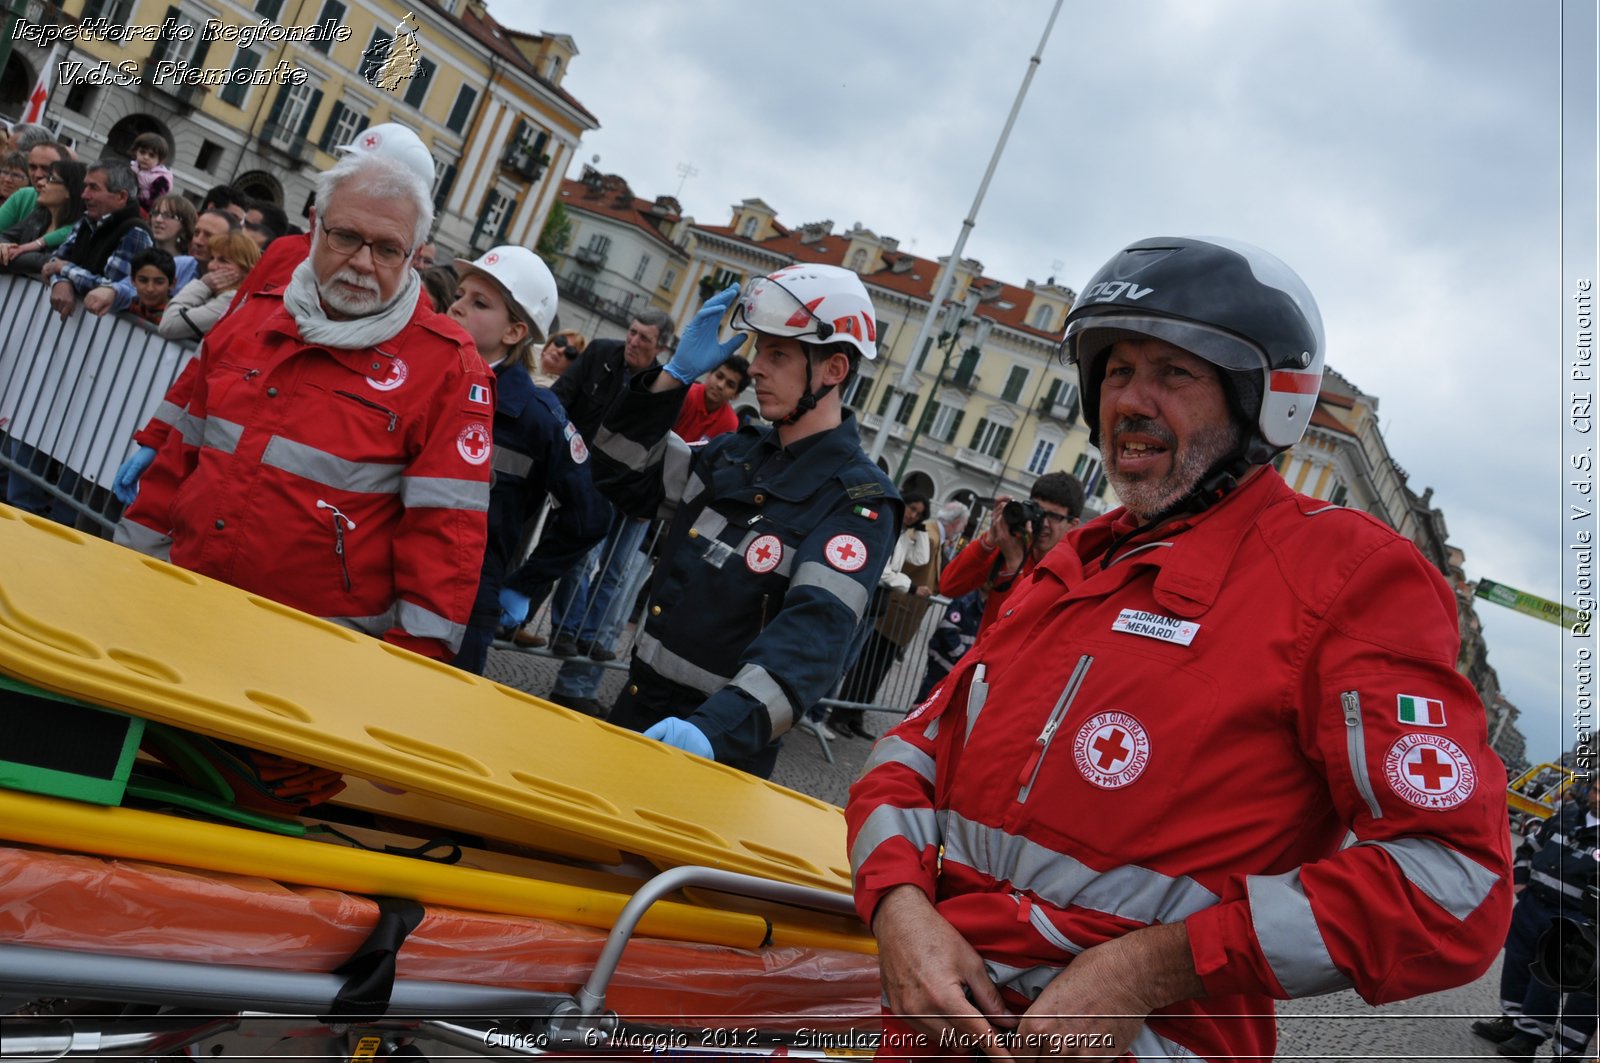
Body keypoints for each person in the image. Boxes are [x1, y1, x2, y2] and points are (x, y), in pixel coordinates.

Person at [846, 235, 1512, 1061]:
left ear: (1263, 403)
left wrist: (1153, 968)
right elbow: (910, 750)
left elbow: (1455, 882)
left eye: (1174, 373)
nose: (1132, 399)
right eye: (1118, 370)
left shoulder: (1349, 577)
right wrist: (899, 907)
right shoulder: (1077, 561)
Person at [116, 147, 494, 668]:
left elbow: (445, 536)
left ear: (415, 255)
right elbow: (178, 461)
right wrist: (128, 570)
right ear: (315, 227)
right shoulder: (254, 319)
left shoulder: (448, 367)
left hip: (312, 656)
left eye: (388, 249)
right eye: (345, 237)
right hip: (178, 609)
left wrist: (412, 668)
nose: (363, 263)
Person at [590, 265, 900, 778]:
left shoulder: (857, 502)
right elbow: (620, 472)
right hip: (637, 712)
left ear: (833, 370)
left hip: (716, 754)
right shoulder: (737, 451)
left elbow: (810, 644)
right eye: (759, 350)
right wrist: (672, 379)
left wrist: (712, 733)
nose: (755, 368)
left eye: (777, 354)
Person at [110, 123, 436, 507]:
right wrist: (158, 435)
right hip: (225, 452)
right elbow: (218, 349)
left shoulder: (414, 310)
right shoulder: (286, 252)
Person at [443, 245, 607, 675]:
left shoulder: (537, 416)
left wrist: (524, 584)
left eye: (479, 303)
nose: (457, 307)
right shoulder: (422, 376)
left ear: (515, 332)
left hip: (465, 599)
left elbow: (589, 516)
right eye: (459, 294)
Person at [516, 308, 676, 716]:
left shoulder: (662, 382)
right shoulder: (602, 353)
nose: (634, 342)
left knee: (613, 573)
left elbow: (659, 443)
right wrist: (560, 450)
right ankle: (556, 627)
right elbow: (562, 398)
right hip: (576, 471)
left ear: (661, 347)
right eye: (633, 332)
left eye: (644, 338)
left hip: (625, 490)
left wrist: (644, 500)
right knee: (575, 557)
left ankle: (580, 646)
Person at [1470, 781, 1599, 1061]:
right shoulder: (1566, 815)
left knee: (1549, 976)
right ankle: (1510, 1021)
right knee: (1517, 961)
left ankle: (1529, 1036)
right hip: (1533, 905)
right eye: (1597, 790)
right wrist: (1520, 882)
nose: (1597, 797)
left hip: (1573, 921)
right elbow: (1529, 848)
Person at [824, 490, 935, 741]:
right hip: (865, 599)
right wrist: (910, 586)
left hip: (877, 606)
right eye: (911, 509)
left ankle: (820, 709)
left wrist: (921, 528)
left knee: (847, 662)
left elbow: (921, 557)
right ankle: (818, 710)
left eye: (918, 513)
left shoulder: (906, 536)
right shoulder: (888, 527)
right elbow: (883, 570)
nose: (912, 515)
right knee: (840, 658)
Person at [937, 471, 1082, 634]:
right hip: (981, 654)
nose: (1043, 523)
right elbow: (948, 587)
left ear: (1072, 524)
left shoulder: (1069, 575)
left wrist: (1015, 564)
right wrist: (989, 540)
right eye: (1037, 511)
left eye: (1054, 516)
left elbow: (1019, 628)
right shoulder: (1007, 549)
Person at [40, 160, 152, 320]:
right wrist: (60, 282)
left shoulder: (135, 232)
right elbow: (54, 261)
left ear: (121, 196)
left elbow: (110, 289)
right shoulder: (88, 219)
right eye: (85, 186)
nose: (84, 195)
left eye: (93, 188)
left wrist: (63, 269)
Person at [84, 194, 201, 317]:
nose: (158, 220)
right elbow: (126, 286)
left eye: (168, 216)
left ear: (185, 224)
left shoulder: (189, 267)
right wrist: (112, 290)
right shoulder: (142, 253)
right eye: (155, 213)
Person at [157, 230, 261, 341]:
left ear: (247, 271)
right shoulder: (216, 293)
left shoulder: (232, 300)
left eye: (223, 261)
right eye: (211, 258)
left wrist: (202, 285)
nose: (212, 266)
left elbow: (169, 325)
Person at [0, 157, 84, 277]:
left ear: (70, 191)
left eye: (51, 179)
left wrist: (8, 254)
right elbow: (5, 235)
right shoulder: (40, 215)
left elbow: (45, 261)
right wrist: (3, 246)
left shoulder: (79, 232)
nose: (40, 183)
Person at [911, 587, 984, 704]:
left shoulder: (984, 604)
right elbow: (947, 630)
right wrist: (963, 656)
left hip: (955, 664)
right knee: (925, 701)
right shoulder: (966, 601)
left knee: (936, 702)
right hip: (942, 661)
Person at [670, 356, 749, 444]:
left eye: (730, 385)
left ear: (735, 396)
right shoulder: (685, 395)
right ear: (709, 375)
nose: (720, 385)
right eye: (719, 376)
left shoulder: (729, 422)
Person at [124, 247, 175, 325]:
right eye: (143, 280)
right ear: (132, 280)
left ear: (172, 283)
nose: (150, 289)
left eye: (159, 282)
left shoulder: (175, 319)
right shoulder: (129, 304)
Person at [128, 131, 173, 211]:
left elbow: (154, 203)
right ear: (136, 152)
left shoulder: (160, 179)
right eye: (142, 152)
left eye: (151, 155)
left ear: (160, 160)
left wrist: (132, 200)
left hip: (145, 212)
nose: (145, 157)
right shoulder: (133, 167)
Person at [933, 498, 971, 565]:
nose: (962, 530)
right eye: (963, 526)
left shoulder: (936, 537)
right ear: (956, 523)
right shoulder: (932, 539)